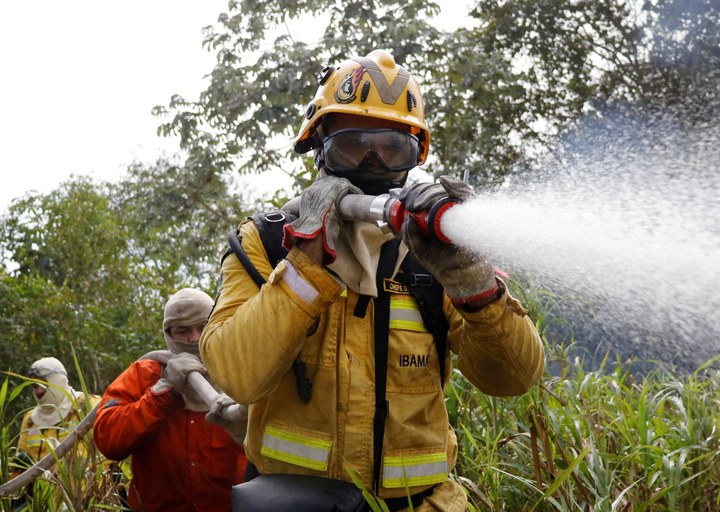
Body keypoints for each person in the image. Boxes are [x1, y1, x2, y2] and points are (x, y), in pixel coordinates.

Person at [200, 49, 545, 511]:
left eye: (391, 149)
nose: (373, 163)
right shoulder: (266, 243)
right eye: (354, 145)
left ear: (415, 156)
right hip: (297, 505)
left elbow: (514, 378)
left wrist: (472, 282)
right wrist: (306, 262)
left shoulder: (432, 255)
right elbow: (235, 374)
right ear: (318, 144)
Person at [93, 288, 247, 512]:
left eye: (203, 327)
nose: (194, 338)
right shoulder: (144, 374)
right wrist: (162, 393)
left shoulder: (243, 373)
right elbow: (109, 441)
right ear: (168, 333)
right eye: (182, 330)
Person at [13, 357, 102, 508]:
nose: (38, 391)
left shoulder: (88, 406)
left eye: (42, 384)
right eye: (34, 386)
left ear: (56, 381)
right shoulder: (30, 420)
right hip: (42, 504)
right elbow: (18, 470)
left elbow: (108, 455)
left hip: (83, 502)